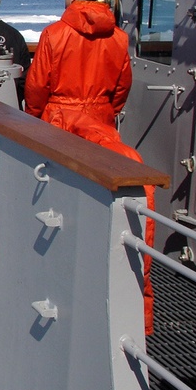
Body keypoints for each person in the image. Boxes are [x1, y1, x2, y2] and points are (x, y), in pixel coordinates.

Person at [69, 114, 155, 336]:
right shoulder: (127, 157)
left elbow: (37, 87)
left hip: (62, 112)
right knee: (131, 272)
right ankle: (137, 331)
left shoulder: (73, 153)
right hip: (99, 109)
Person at [25, 0, 132, 132]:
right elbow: (123, 85)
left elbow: (38, 84)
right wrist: (107, 110)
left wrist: (33, 118)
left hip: (60, 119)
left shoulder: (53, 34)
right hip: (100, 119)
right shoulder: (119, 37)